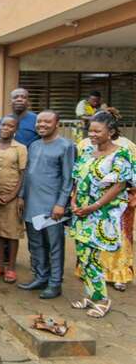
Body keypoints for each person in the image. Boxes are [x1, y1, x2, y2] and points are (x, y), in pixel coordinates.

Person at [69, 111, 132, 318]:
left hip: (101, 216)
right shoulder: (87, 151)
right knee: (83, 256)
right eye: (90, 130)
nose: (92, 134)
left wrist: (94, 206)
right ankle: (90, 295)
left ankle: (103, 300)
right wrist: (73, 200)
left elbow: (119, 185)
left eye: (97, 131)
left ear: (111, 132)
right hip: (82, 213)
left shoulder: (121, 154)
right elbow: (78, 178)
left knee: (94, 258)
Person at [18, 110, 75, 299]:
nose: (42, 125)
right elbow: (27, 174)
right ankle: (41, 277)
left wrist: (61, 204)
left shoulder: (66, 146)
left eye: (47, 122)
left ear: (56, 124)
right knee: (35, 244)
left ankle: (55, 283)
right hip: (31, 204)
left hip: (52, 207)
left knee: (54, 246)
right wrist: (21, 196)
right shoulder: (33, 145)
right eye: (39, 122)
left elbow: (68, 179)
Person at [0, 116, 27, 284]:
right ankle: (0, 265)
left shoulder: (20, 148)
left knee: (12, 233)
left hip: (12, 195)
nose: (6, 128)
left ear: (15, 129)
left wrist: (16, 196)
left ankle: (10, 267)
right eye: (3, 125)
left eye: (10, 126)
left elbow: (23, 174)